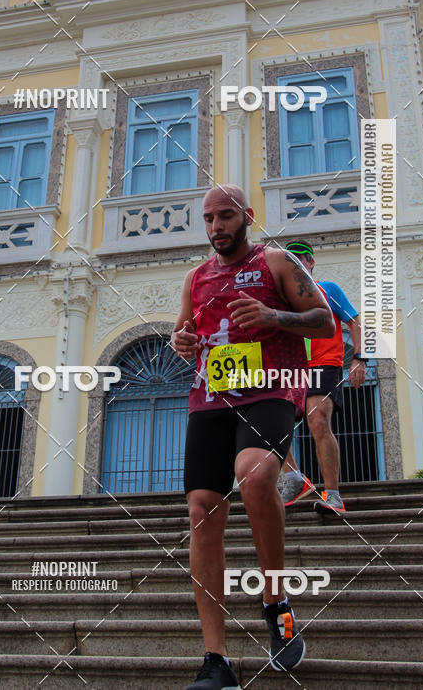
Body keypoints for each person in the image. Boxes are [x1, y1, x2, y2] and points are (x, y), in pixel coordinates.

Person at [172, 185, 335, 687]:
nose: (217, 226)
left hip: (270, 390)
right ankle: (216, 658)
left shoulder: (278, 262)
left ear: (247, 216)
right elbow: (184, 337)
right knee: (201, 510)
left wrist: (273, 316)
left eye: (226, 216)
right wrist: (182, 341)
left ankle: (276, 602)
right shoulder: (196, 278)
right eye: (209, 219)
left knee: (255, 472)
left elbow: (325, 320)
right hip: (212, 397)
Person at [280, 240, 367, 514]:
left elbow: (355, 323)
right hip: (291, 368)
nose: (297, 264)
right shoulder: (281, 298)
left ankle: (333, 496)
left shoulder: (327, 290)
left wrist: (359, 358)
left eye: (301, 259)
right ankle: (294, 478)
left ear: (311, 262)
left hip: (323, 363)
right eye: (290, 261)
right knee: (269, 426)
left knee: (317, 420)